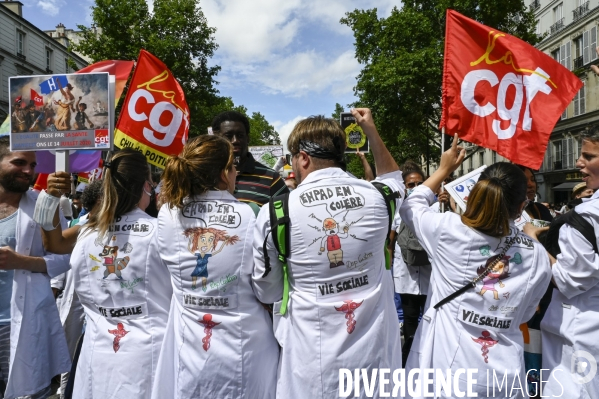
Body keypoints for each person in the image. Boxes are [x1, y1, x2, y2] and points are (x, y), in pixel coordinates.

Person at [252, 108, 403, 398]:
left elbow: (267, 291)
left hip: (311, 368)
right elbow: (394, 177)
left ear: (303, 158)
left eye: (291, 158)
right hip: (376, 364)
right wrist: (371, 130)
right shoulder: (378, 196)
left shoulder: (277, 211)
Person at [399, 135, 551, 397]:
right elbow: (525, 314)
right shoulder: (536, 253)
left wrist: (444, 168)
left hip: (451, 374)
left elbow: (411, 205)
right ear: (520, 207)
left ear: (476, 193)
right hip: (505, 378)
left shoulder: (448, 230)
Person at [151, 135, 278, 398]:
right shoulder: (252, 214)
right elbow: (266, 288)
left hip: (190, 348)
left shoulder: (167, 214)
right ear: (224, 174)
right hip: (246, 345)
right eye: (233, 167)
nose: (236, 173)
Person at [57, 149, 171, 398]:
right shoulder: (160, 231)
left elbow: (54, 245)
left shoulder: (86, 232)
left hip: (98, 351)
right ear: (146, 186)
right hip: (150, 354)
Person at [525, 128, 599, 397]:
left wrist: (533, 241)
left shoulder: (584, 217)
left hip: (579, 334)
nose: (579, 162)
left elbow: (571, 281)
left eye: (588, 156)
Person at [0, 136, 71, 399]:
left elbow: (65, 257)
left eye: (33, 164)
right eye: (19, 162)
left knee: (27, 392)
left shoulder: (43, 203)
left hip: (21, 318)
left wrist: (23, 262)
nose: (29, 170)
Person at [50, 180, 103, 399]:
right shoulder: (79, 228)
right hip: (74, 306)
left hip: (101, 314)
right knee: (69, 358)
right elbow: (56, 251)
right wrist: (50, 198)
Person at [393, 160, 431, 366]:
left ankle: (426, 355)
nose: (415, 188)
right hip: (405, 273)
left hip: (428, 273)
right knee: (409, 317)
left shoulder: (435, 208)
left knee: (428, 316)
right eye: (410, 185)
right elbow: (390, 241)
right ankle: (408, 357)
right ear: (405, 187)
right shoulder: (399, 210)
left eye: (419, 184)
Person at [211, 111, 288, 208]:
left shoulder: (271, 178)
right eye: (228, 136)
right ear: (216, 139)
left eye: (240, 135)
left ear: (248, 138)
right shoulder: (205, 176)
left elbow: (285, 217)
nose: (235, 140)